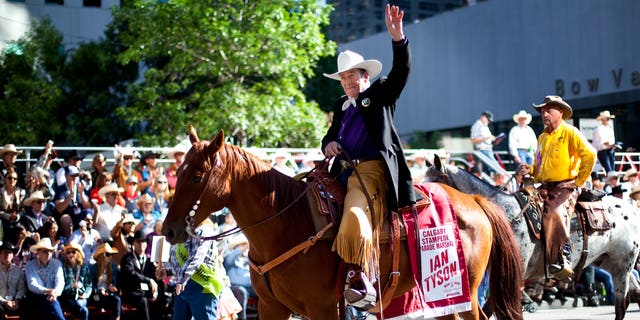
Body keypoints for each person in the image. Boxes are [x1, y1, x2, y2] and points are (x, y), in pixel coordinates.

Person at [320, 4, 416, 309]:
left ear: (366, 77)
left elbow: (401, 72)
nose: (348, 82)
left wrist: (398, 39)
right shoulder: (340, 105)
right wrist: (328, 145)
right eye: (344, 79)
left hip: (372, 171)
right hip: (341, 171)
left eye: (353, 77)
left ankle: (360, 277)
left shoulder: (381, 95)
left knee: (354, 213)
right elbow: (331, 135)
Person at [517, 95, 596, 280]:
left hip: (565, 186)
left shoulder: (570, 132)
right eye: (543, 111)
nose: (545, 114)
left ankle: (563, 255)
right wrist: (530, 170)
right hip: (544, 185)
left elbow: (590, 155)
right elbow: (538, 166)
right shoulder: (542, 137)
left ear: (560, 113)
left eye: (549, 110)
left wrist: (578, 181)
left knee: (554, 212)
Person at [156, 218, 224, 320]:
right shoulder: (184, 231)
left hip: (202, 286)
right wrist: (167, 271)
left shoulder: (204, 230)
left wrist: (182, 278)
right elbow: (182, 262)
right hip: (183, 287)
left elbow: (196, 257)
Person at [119, 231, 160, 320]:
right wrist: (149, 280)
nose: (141, 245)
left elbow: (155, 278)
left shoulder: (149, 260)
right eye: (138, 242)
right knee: (143, 300)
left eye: (143, 242)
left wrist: (155, 291)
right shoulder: (127, 258)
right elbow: (131, 274)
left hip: (146, 291)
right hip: (131, 292)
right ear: (134, 243)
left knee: (163, 298)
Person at [24, 237, 65, 320]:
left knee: (52, 302)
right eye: (45, 251)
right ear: (38, 252)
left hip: (54, 296)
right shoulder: (30, 265)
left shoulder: (57, 264)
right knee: (51, 303)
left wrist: (54, 292)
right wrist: (47, 291)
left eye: (50, 251)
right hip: (36, 296)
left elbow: (60, 281)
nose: (49, 253)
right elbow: (32, 284)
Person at [60, 242, 93, 320]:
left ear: (78, 254)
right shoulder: (63, 268)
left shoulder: (84, 267)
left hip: (81, 297)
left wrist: (85, 295)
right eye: (68, 252)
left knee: (81, 307)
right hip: (68, 296)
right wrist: (70, 286)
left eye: (73, 252)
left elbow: (89, 285)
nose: (71, 254)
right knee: (83, 310)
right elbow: (61, 287)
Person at [90, 243, 122, 320]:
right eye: (108, 254)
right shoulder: (93, 268)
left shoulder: (113, 267)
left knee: (117, 299)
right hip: (96, 295)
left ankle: (117, 318)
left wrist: (113, 288)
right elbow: (90, 285)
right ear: (102, 256)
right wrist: (99, 290)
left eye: (111, 254)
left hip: (109, 294)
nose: (110, 257)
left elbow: (118, 283)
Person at [0, 242, 26, 318]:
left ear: (12, 256)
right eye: (5, 253)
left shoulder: (18, 271)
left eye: (10, 253)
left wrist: (17, 300)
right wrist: (4, 301)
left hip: (15, 301)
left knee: (27, 306)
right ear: (0, 255)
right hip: (1, 301)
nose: (7, 255)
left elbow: (21, 288)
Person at [0, 169, 26, 242]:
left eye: (15, 178)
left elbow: (23, 210)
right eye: (10, 178)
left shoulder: (20, 192)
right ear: (5, 179)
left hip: (18, 220)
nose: (12, 180)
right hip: (3, 220)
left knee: (23, 231)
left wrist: (17, 216)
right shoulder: (0, 192)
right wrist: (9, 216)